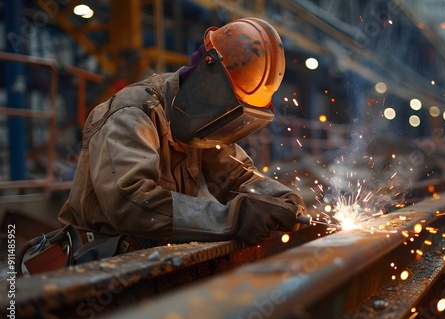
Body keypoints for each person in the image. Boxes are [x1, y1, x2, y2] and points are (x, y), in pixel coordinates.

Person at [58, 17, 307, 248]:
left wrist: (280, 198)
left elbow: (235, 177)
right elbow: (132, 204)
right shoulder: (133, 112)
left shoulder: (200, 120)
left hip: (153, 253)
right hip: (101, 262)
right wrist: (234, 218)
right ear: (208, 75)